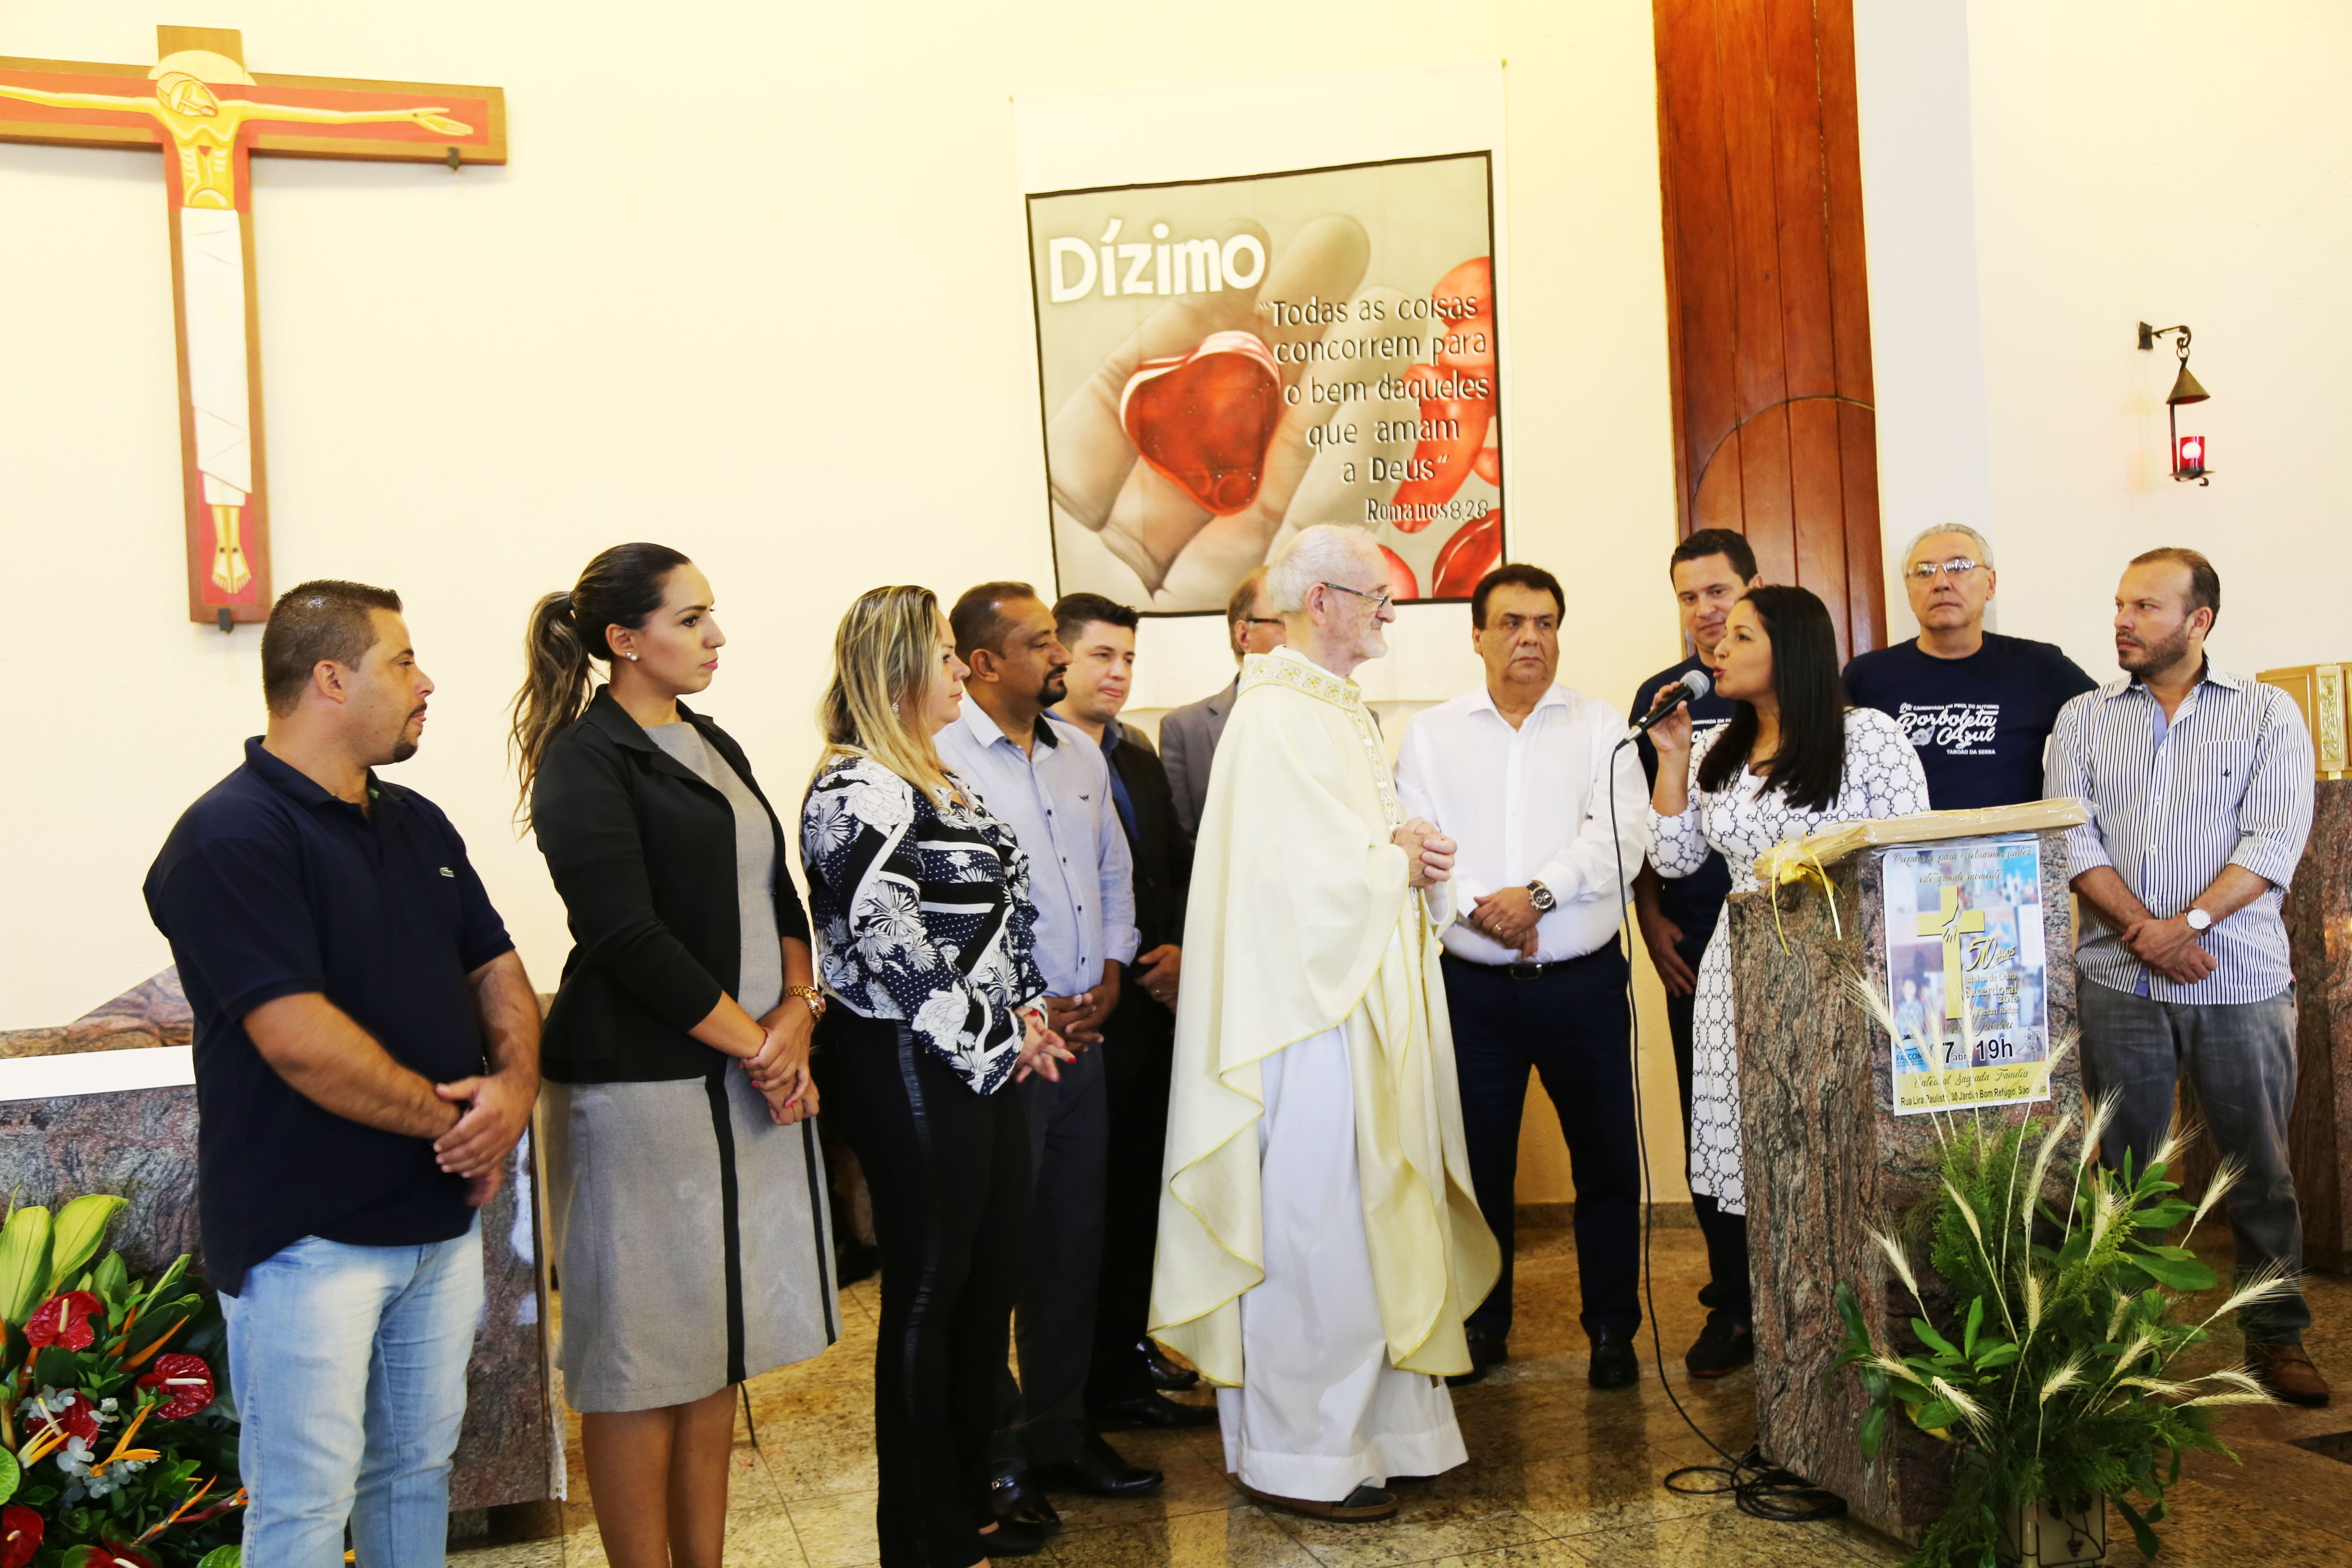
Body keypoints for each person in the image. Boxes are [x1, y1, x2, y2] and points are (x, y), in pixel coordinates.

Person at [144, 580, 540, 1568]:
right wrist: (457, 1122)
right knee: (304, 1501)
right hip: (305, 1238)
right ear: (330, 677)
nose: (426, 681)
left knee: (415, 1472)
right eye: (402, 662)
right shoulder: (228, 837)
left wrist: (516, 1092)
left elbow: (495, 968)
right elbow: (297, 1039)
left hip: (434, 1226)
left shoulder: (416, 823)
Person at [1153, 524, 1499, 1525]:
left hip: (1356, 1002)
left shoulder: (1331, 705)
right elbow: (1288, 884)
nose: (1391, 610)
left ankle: (1385, 1434)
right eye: (1375, 595)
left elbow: (1349, 848)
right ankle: (1301, 1454)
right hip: (1301, 1023)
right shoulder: (1273, 712)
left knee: (1375, 1218)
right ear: (1321, 602)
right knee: (1317, 1232)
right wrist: (1392, 856)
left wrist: (1407, 854)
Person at [514, 544, 838, 1568]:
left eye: (711, 617)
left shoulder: (712, 740)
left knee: (715, 1351)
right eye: (691, 619)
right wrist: (762, 1046)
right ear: (624, 639)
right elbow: (622, 931)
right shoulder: (584, 759)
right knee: (639, 1359)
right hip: (641, 1091)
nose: (716, 637)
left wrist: (796, 1012)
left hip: (744, 1069)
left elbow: (779, 897)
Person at [800, 585, 1076, 1568]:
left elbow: (1002, 918)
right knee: (930, 1287)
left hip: (987, 1056)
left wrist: (1026, 1016)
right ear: (896, 668)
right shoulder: (851, 788)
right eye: (945, 657)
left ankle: (969, 1493)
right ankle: (920, 1529)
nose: (961, 670)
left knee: (987, 1278)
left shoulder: (933, 777)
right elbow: (889, 943)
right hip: (913, 1061)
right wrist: (993, 1039)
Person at [2045, 547, 2326, 1407]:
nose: (2124, 622)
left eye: (2147, 608)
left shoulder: (2267, 714)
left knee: (2259, 1168)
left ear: (2198, 621)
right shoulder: (2084, 718)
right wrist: (2145, 934)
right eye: (2121, 605)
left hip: (2238, 977)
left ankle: (2276, 1337)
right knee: (2124, 1173)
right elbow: (2071, 838)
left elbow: (2275, 842)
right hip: (2120, 981)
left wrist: (2189, 926)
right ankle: (2126, 1346)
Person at [1645, 585, 1928, 1372]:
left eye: (1739, 634)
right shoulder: (1712, 748)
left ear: (1791, 650)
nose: (1717, 645)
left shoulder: (1866, 737)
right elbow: (1671, 862)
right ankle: (1776, 1339)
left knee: (1829, 1161)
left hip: (1839, 972)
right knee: (1750, 1159)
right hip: (1736, 976)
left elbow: (1908, 855)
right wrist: (1671, 758)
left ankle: (1851, 1336)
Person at [1395, 563, 1650, 1391]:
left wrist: (1536, 894)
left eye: (1544, 622)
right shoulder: (1433, 734)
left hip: (1581, 985)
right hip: (1475, 996)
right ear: (1476, 635)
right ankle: (1482, 1321)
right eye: (1510, 622)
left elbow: (1619, 839)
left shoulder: (1603, 726)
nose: (1528, 638)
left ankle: (1612, 1328)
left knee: (1607, 1163)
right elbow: (1418, 841)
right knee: (1477, 1168)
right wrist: (1487, 910)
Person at [936, 583, 1159, 1519]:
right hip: (1002, 1053)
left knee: (1072, 1244)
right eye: (1039, 644)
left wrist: (1110, 969)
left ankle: (1062, 1434)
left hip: (1084, 1038)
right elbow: (951, 912)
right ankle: (995, 1454)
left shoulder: (1077, 754)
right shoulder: (939, 758)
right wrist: (1026, 1009)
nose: (1060, 658)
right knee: (997, 1257)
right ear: (984, 663)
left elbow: (1111, 869)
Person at [1046, 592, 1218, 1432]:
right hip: (1077, 1013)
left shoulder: (1138, 754)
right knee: (1081, 1213)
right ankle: (1081, 1388)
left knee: (1138, 1197)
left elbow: (1172, 868)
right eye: (1100, 657)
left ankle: (1125, 1362)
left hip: (1153, 1006)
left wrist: (1181, 950)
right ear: (1058, 659)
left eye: (1127, 660)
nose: (1117, 674)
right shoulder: (1030, 758)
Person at [1626, 527, 1756, 1375]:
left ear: (1751, 589)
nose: (1706, 612)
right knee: (1712, 1133)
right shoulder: (1664, 695)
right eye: (1689, 596)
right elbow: (1640, 821)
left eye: (1720, 592)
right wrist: (1651, 920)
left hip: (1791, 951)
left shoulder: (1804, 689)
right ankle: (1732, 1304)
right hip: (1694, 951)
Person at [1844, 525, 2097, 808]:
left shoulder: (2039, 667)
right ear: (1908, 591)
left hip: (2013, 848)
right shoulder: (1866, 676)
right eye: (1925, 571)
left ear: (1991, 584)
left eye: (1960, 567)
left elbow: (2109, 731)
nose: (1940, 582)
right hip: (1906, 849)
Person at [1160, 567, 1286, 843]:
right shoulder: (1185, 729)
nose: (1301, 637)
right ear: (1244, 636)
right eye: (1285, 621)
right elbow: (1183, 844)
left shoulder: (1354, 719)